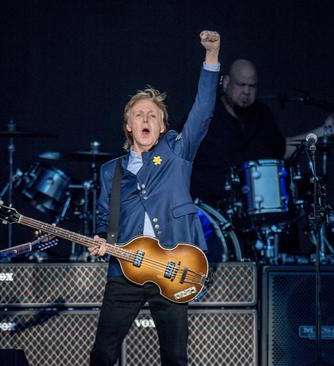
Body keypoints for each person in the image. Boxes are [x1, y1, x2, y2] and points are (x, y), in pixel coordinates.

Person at [87, 30, 220, 366]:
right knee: (102, 353)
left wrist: (212, 56)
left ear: (162, 127)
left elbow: (203, 111)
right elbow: (105, 219)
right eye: (138, 115)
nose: (145, 119)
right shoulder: (110, 171)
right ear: (128, 126)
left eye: (153, 115)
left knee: (175, 357)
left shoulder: (177, 154)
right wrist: (100, 239)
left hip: (172, 267)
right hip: (124, 271)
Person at [190, 58, 334, 205]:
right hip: (211, 211)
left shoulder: (261, 114)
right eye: (241, 85)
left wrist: (327, 129)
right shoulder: (204, 115)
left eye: (252, 86)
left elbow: (282, 149)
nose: (246, 91)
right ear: (226, 83)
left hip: (254, 208)